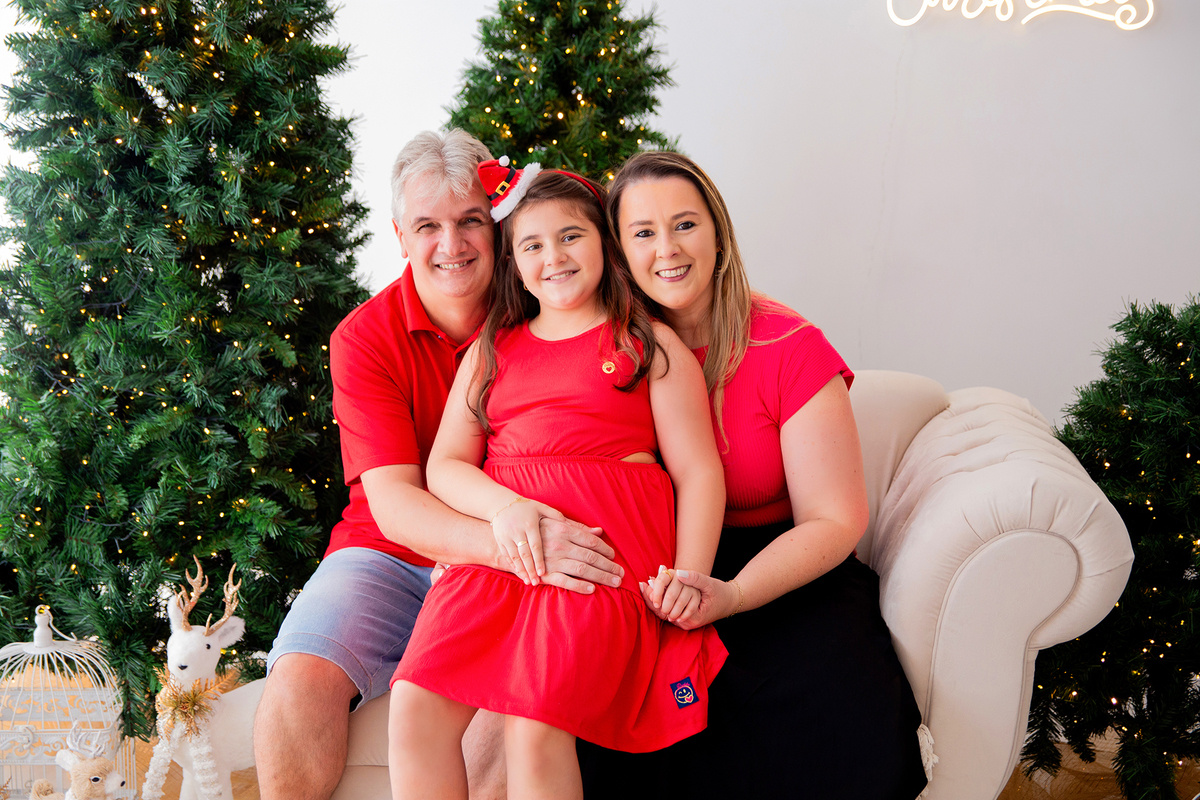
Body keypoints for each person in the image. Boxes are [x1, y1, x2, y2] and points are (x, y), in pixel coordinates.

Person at [252, 131, 626, 800]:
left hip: (516, 560)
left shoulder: (547, 309)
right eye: (428, 226)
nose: (450, 246)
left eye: (470, 222)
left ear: (499, 224)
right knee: (298, 677)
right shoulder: (364, 339)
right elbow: (394, 504)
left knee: (506, 714)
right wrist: (510, 546)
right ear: (400, 235)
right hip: (391, 549)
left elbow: (596, 220)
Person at [576, 151, 930, 799]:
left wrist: (733, 594)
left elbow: (835, 518)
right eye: (643, 232)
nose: (668, 249)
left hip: (781, 569)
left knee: (838, 723)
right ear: (619, 253)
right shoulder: (600, 350)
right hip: (651, 576)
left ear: (718, 235)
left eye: (685, 224)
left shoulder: (788, 347)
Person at [388, 164, 728, 800]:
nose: (554, 257)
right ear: (514, 262)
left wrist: (690, 576)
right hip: (505, 558)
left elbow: (699, 471)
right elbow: (446, 466)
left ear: (604, 241)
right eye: (532, 245)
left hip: (598, 559)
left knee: (535, 723)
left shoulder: (647, 346)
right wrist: (510, 508)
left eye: (571, 236)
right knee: (414, 705)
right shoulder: (496, 348)